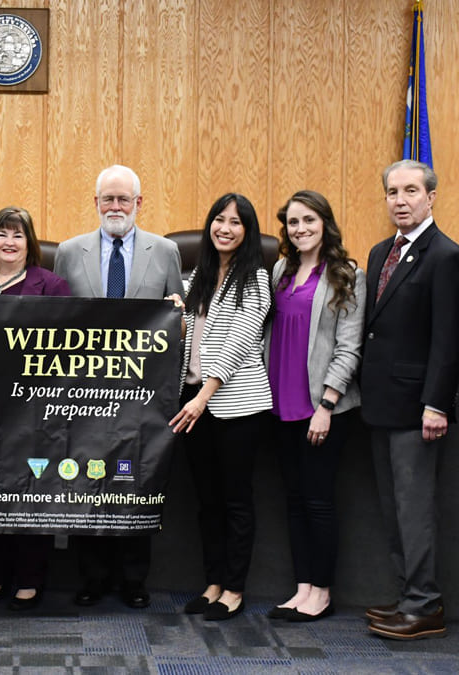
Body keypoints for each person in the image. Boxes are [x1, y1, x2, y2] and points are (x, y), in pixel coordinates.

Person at [53, 164, 183, 609]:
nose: (114, 207)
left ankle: (133, 580)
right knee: (88, 482)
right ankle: (92, 578)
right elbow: (56, 321)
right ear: (95, 203)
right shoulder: (68, 253)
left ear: (138, 204)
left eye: (123, 199)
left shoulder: (165, 252)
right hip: (84, 394)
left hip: (142, 395)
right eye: (107, 199)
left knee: (135, 484)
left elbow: (177, 319)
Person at [360, 159, 459, 640]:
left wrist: (437, 404)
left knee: (415, 509)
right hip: (380, 403)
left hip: (418, 408)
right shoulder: (380, 251)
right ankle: (409, 596)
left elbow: (450, 341)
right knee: (392, 509)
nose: (400, 200)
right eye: (392, 192)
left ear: (431, 197)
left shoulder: (446, 256)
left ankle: (426, 604)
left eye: (410, 191)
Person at [168, 193, 272, 621]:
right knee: (207, 501)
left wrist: (202, 397)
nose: (224, 228)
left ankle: (234, 588)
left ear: (247, 232)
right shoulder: (198, 277)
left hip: (234, 406)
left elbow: (238, 343)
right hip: (192, 402)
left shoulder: (256, 280)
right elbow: (185, 331)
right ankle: (212, 583)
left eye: (235, 222)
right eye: (218, 220)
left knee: (235, 501)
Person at [264, 190, 365, 622]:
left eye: (308, 220)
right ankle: (302, 586)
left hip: (322, 408)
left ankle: (322, 592)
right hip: (278, 403)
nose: (300, 229)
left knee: (319, 500)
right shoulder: (280, 269)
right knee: (294, 499)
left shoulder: (346, 274)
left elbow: (349, 348)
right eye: (292, 222)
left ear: (325, 223)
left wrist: (327, 403)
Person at [0, 206, 71, 610]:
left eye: (18, 235)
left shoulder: (53, 286)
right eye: (2, 235)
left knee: (31, 494)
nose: (9, 243)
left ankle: (30, 580)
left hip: (34, 410)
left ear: (31, 244)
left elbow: (67, 345)